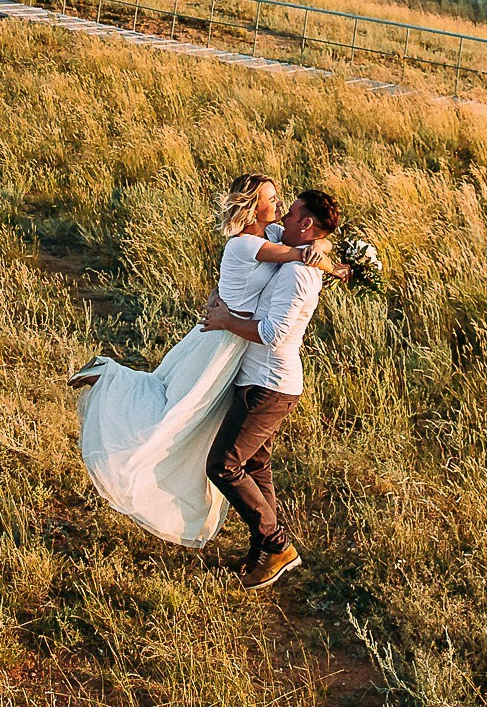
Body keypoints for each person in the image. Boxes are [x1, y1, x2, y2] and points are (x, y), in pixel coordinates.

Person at [72, 175, 337, 549]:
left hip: (234, 345)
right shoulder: (248, 243)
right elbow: (296, 253)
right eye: (274, 200)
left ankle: (269, 546)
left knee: (201, 423)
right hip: (222, 342)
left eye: (285, 205)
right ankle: (110, 375)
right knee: (175, 411)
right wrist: (326, 261)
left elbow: (304, 239)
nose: (280, 207)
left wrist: (321, 243)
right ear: (252, 207)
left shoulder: (273, 233)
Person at [202, 187, 343, 590]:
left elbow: (274, 333)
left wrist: (226, 320)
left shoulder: (299, 274)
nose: (283, 215)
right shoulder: (288, 241)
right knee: (255, 465)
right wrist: (327, 254)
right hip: (257, 379)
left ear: (306, 224)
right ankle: (263, 554)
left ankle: (276, 545)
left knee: (223, 465)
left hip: (271, 384)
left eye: (292, 210)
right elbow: (297, 239)